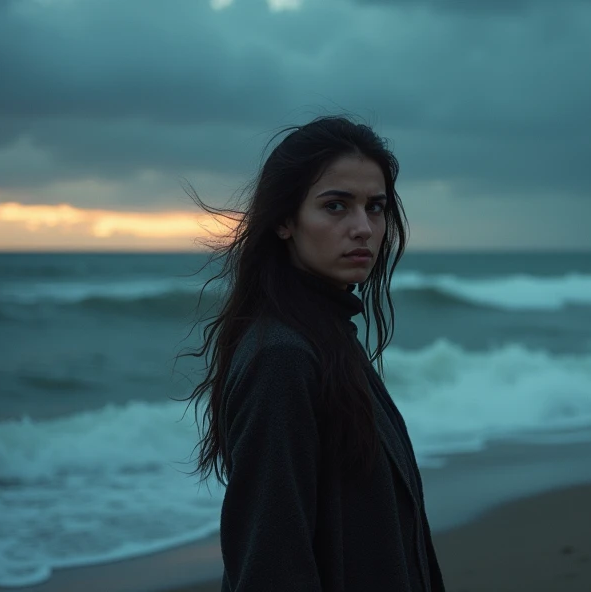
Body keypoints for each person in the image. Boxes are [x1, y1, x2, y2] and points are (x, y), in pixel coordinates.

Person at [181, 115, 446, 591]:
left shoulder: (327, 337)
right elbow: (271, 566)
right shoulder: (282, 358)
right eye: (336, 206)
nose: (363, 228)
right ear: (285, 220)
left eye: (376, 207)